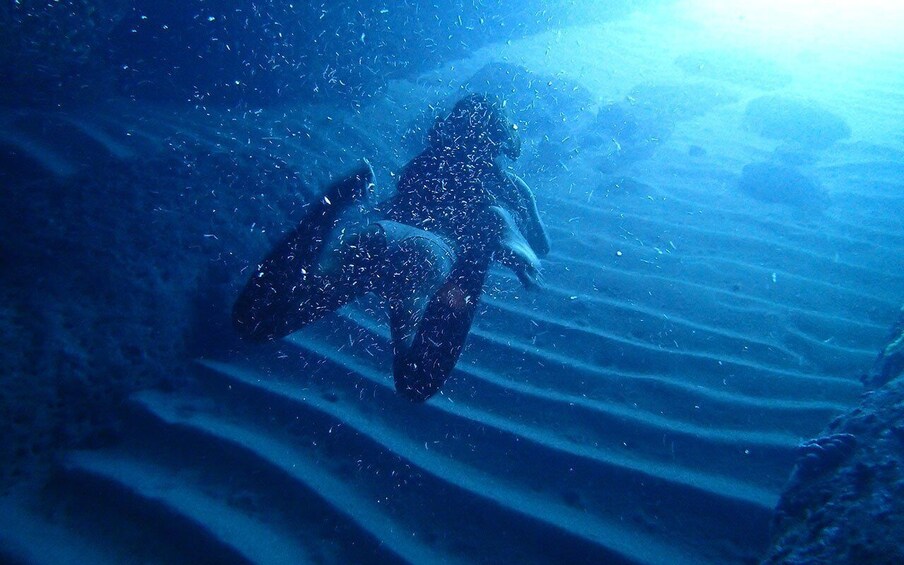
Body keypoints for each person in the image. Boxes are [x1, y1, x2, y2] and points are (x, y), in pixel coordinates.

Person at [233, 94, 550, 401]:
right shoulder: (506, 184)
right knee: (416, 385)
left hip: (379, 239)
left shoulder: (428, 160)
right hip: (431, 256)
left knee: (257, 324)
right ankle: (485, 240)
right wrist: (522, 219)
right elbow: (542, 246)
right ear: (500, 138)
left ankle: (333, 204)